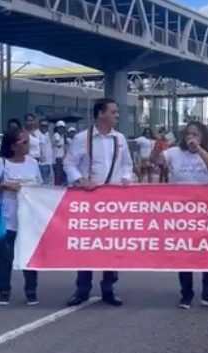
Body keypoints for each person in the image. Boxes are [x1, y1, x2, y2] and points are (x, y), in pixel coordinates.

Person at [64, 98, 135, 307]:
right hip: (89, 199)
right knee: (87, 244)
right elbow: (69, 163)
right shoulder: (82, 138)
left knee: (111, 245)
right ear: (101, 114)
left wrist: (126, 178)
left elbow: (127, 164)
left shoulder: (119, 138)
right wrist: (80, 179)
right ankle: (83, 288)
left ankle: (109, 288)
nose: (117, 115)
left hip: (112, 201)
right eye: (114, 112)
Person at [152, 121, 208, 310]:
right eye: (188, 134)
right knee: (185, 253)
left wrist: (200, 150)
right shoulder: (175, 153)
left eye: (196, 134)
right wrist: (157, 147)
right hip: (182, 212)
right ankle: (186, 294)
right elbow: (156, 161)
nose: (191, 137)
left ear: (203, 137)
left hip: (206, 212)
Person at [0, 124, 42, 306]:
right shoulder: (2, 163)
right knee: (5, 258)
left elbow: (41, 186)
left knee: (29, 256)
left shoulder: (32, 163)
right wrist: (6, 185)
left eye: (28, 142)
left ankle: (31, 291)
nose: (28, 145)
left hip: (28, 219)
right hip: (7, 219)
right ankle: (3, 290)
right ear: (13, 146)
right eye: (24, 142)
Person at [36, 118, 54, 185]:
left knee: (48, 182)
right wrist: (41, 156)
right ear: (39, 125)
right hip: (42, 163)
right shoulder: (37, 133)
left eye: (46, 126)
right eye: (42, 125)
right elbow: (38, 146)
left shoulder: (47, 134)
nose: (44, 127)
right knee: (44, 183)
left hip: (49, 162)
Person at [52, 121, 67, 186]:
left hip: (61, 159)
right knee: (58, 178)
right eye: (60, 128)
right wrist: (57, 143)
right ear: (57, 128)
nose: (61, 129)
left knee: (60, 178)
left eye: (62, 128)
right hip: (57, 159)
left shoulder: (62, 136)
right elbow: (57, 143)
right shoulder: (56, 135)